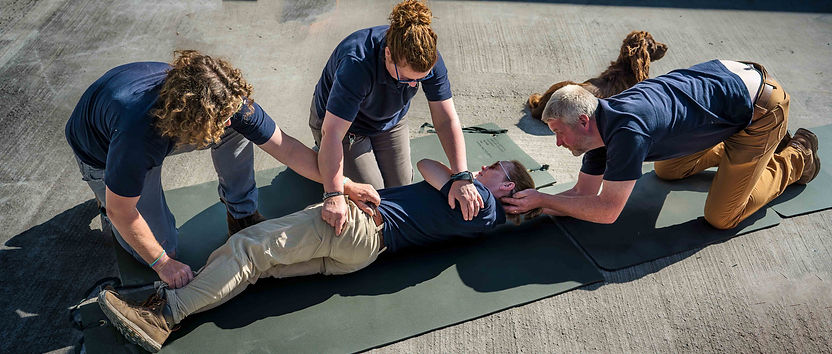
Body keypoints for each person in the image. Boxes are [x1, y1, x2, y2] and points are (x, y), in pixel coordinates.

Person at [97, 159, 539, 352]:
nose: (481, 169)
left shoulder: (480, 200)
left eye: (493, 169)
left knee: (248, 248)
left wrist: (460, 178)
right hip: (363, 252)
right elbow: (429, 169)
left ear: (505, 186)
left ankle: (164, 314)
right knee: (259, 266)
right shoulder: (486, 217)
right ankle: (171, 300)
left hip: (357, 225)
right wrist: (539, 203)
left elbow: (429, 165)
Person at [66, 50, 379, 289]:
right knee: (160, 245)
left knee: (235, 129)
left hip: (145, 115)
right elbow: (123, 211)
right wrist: (162, 264)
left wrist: (342, 185)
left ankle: (242, 214)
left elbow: (288, 149)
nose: (231, 118)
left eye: (232, 112)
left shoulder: (225, 99)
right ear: (193, 118)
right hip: (101, 148)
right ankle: (106, 192)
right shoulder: (139, 136)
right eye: (223, 117)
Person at [502, 60, 820, 230]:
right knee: (667, 170)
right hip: (726, 90)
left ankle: (796, 156)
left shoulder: (629, 133)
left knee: (722, 217)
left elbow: (606, 211)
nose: (558, 143)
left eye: (559, 132)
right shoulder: (599, 124)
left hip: (761, 109)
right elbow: (583, 194)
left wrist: (543, 198)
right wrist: (534, 206)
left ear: (583, 121)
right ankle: (739, 154)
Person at [310, 0, 483, 237]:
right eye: (407, 79)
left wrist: (461, 175)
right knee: (375, 199)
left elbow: (445, 119)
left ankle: (338, 162)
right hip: (345, 127)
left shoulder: (427, 59)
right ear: (388, 54)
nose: (413, 85)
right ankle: (321, 158)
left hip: (389, 119)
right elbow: (332, 133)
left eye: (421, 79)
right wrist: (333, 194)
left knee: (401, 190)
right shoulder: (357, 64)